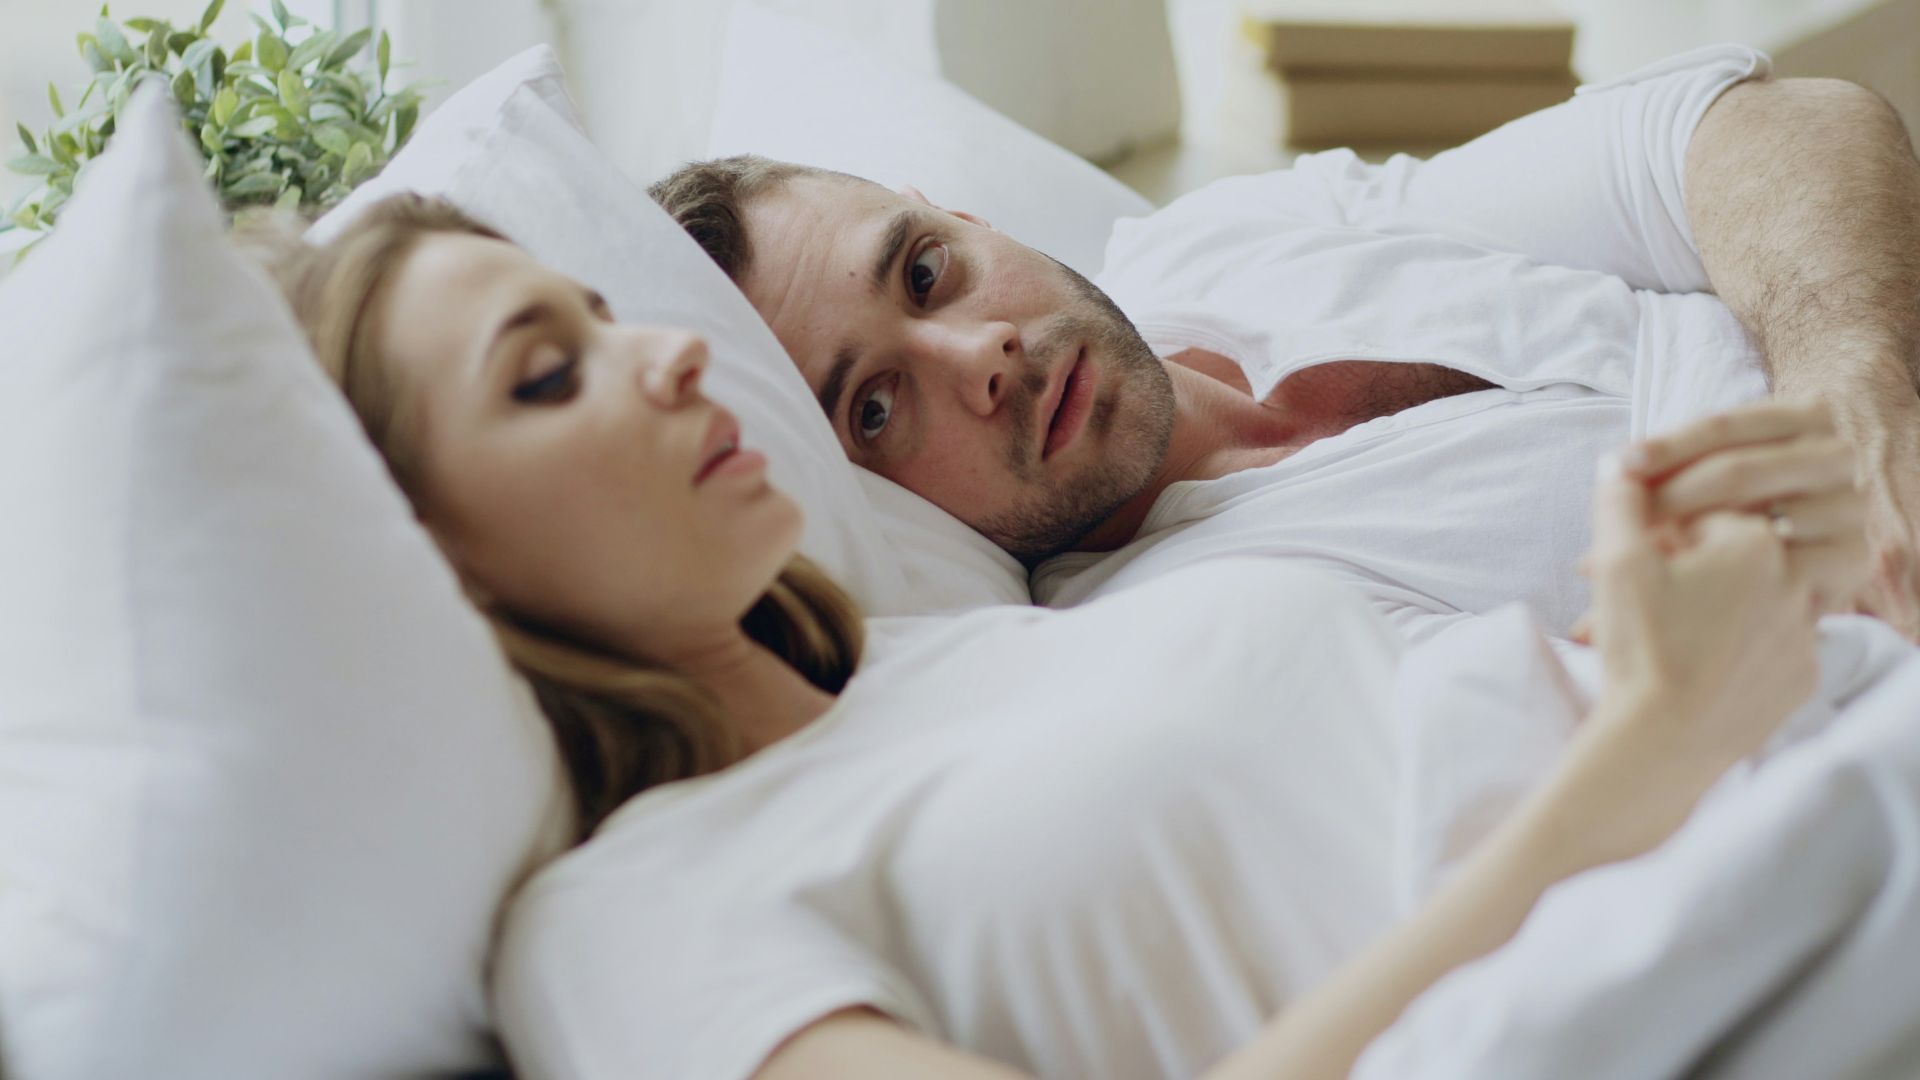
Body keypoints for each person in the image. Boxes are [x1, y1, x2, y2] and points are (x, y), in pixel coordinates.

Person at [260, 193, 1871, 1079]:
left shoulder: (966, 640)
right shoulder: (626, 924)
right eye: (547, 374)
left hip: (1798, 776)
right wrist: (1647, 750)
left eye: (605, 319)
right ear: (426, 566)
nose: (670, 360)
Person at [650, 45, 1920, 642]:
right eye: (875, 408)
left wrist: (1856, 397)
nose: (975, 354)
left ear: (968, 219)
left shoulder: (1233, 236)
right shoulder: (1204, 633)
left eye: (926, 270)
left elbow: (1769, 125)